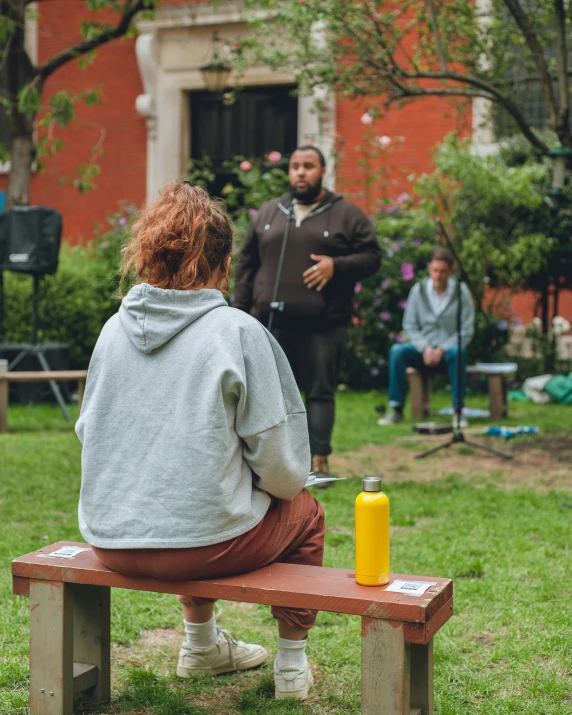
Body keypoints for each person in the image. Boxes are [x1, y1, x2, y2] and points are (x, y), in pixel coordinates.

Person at [75, 182, 325, 701]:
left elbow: (88, 432)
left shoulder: (111, 332)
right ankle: (292, 666)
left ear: (146, 253)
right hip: (202, 546)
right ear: (225, 260)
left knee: (197, 490)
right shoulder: (236, 331)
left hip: (109, 538)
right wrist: (270, 483)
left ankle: (202, 644)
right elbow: (283, 473)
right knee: (306, 511)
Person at [233, 145, 381, 482]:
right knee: (268, 397)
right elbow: (246, 267)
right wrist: (238, 314)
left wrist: (337, 265)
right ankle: (272, 462)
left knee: (318, 392)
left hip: (323, 324)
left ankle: (319, 460)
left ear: (322, 171)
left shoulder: (345, 214)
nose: (300, 172)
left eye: (308, 166)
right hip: (270, 323)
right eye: (295, 166)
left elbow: (372, 257)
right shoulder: (271, 213)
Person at [378, 246, 475, 427]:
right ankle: (396, 408)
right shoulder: (418, 290)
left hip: (448, 352)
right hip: (423, 351)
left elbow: (466, 330)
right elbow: (409, 325)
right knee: (397, 351)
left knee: (459, 352)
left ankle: (458, 411)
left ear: (451, 270)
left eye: (443, 271)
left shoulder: (461, 292)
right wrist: (426, 348)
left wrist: (442, 349)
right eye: (435, 270)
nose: (438, 276)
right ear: (430, 269)